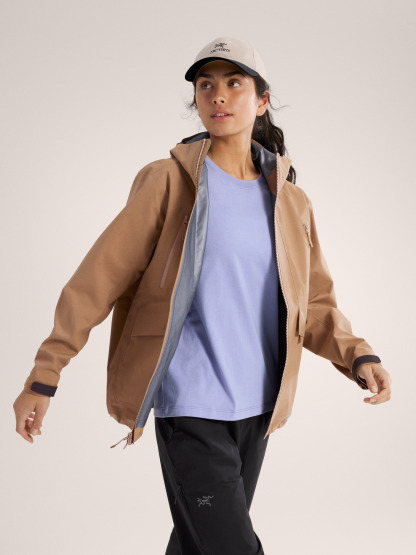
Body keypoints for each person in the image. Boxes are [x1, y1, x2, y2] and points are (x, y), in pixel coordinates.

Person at [14, 36, 392, 554]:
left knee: (199, 545)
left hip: (257, 407)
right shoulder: (168, 182)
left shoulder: (290, 200)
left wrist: (358, 355)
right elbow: (97, 280)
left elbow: (315, 302)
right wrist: (45, 375)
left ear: (261, 100)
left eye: (234, 83)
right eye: (206, 84)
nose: (218, 94)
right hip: (190, 404)